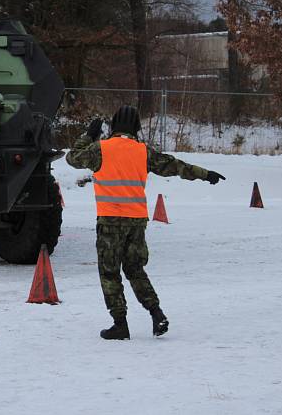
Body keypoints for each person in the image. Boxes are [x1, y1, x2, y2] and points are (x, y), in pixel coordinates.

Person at [66, 105, 225, 340]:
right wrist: (205, 173)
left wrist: (89, 135)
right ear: (136, 128)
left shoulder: (100, 149)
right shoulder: (143, 151)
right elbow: (176, 166)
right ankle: (156, 312)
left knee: (110, 272)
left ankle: (120, 324)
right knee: (135, 269)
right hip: (137, 220)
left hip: (110, 219)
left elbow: (72, 158)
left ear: (113, 126)